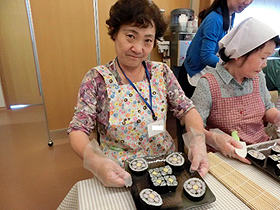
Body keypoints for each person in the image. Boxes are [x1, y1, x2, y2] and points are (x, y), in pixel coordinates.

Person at [68, 0, 209, 188]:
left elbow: (187, 110)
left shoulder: (161, 73)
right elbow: (78, 129)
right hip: (119, 171)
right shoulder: (97, 79)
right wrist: (97, 163)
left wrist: (198, 144)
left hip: (165, 164)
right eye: (130, 36)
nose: (138, 48)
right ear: (115, 33)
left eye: (147, 40)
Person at [191, 17, 280, 163]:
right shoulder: (208, 84)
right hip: (224, 155)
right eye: (263, 58)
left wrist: (277, 118)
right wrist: (213, 138)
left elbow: (267, 108)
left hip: (258, 151)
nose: (264, 65)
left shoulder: (258, 77)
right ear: (239, 54)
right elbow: (195, 128)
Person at [179, 0, 253, 98]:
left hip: (207, 73)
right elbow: (206, 57)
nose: (247, 3)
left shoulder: (230, 16)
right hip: (195, 74)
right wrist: (232, 65)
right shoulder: (215, 19)